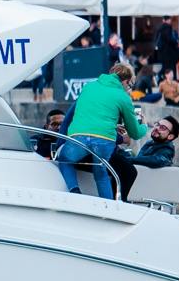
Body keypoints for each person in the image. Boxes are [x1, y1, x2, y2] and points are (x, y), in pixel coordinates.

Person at [55, 63, 148, 196]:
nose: (128, 88)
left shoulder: (88, 87)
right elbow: (135, 133)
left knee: (64, 159)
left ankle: (75, 191)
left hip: (79, 137)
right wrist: (144, 125)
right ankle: (108, 207)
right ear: (125, 81)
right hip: (105, 141)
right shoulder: (123, 97)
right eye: (129, 85)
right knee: (101, 173)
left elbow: (83, 116)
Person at [108, 115, 179, 201]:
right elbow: (139, 159)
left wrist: (129, 160)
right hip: (137, 182)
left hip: (145, 188)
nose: (157, 128)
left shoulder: (167, 149)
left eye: (162, 128)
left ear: (170, 136)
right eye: (157, 124)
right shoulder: (151, 143)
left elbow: (158, 160)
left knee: (119, 164)